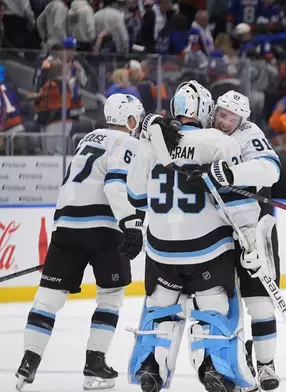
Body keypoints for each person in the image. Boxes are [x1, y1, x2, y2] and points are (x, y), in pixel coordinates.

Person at [126, 81, 260, 392]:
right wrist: (251, 241)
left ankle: (151, 367)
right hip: (208, 249)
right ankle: (214, 368)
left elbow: (134, 195)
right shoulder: (218, 142)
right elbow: (238, 201)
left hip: (160, 251)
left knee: (160, 310)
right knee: (213, 309)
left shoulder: (148, 145)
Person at [15, 94, 146, 391]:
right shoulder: (128, 143)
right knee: (110, 296)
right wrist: (131, 225)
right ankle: (95, 364)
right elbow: (115, 186)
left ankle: (28, 362)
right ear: (130, 120)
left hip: (66, 226)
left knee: (49, 298)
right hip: (104, 227)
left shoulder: (88, 138)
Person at [203, 90, 282, 391]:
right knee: (219, 302)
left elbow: (270, 169)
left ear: (242, 120)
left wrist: (231, 173)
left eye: (231, 118)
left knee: (260, 302)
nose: (225, 122)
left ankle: (265, 365)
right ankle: (226, 364)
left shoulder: (250, 134)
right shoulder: (203, 131)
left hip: (251, 226)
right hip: (213, 227)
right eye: (222, 115)